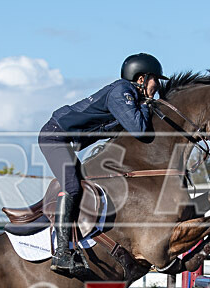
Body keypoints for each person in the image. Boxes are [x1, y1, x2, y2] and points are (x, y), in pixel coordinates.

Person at [38, 53, 166, 276]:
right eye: (155, 80)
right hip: (55, 137)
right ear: (142, 79)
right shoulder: (122, 92)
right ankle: (62, 253)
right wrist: (147, 103)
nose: (157, 86)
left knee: (86, 186)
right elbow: (139, 129)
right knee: (73, 187)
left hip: (66, 139)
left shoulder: (128, 94)